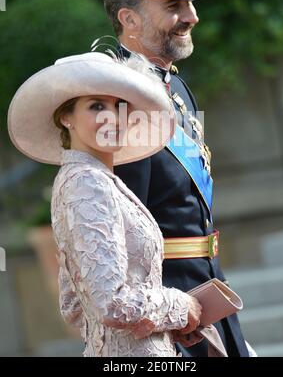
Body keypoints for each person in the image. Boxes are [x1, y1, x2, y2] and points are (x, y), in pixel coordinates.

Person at [95, 0, 254, 356]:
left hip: (208, 293)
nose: (192, 16)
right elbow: (124, 237)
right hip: (166, 316)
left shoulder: (175, 86)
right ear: (129, 19)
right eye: (173, 6)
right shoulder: (115, 101)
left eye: (190, 3)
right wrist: (165, 322)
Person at [7, 52, 203, 357]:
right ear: (65, 116)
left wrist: (161, 326)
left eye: (119, 106)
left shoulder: (84, 179)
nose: (112, 117)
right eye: (97, 106)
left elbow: (73, 305)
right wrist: (181, 307)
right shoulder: (87, 183)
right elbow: (112, 302)